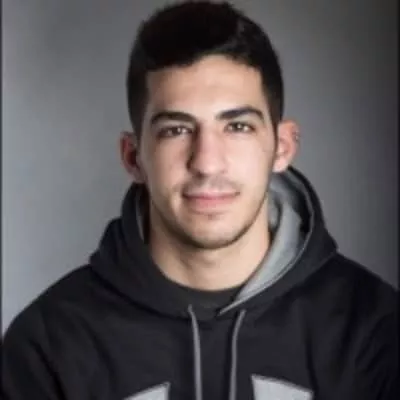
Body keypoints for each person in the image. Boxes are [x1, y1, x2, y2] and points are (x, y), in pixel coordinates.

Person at [2, 2, 398, 399]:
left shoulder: (375, 329)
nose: (207, 162)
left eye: (237, 126)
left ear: (282, 146)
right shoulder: (48, 346)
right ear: (133, 157)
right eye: (176, 130)